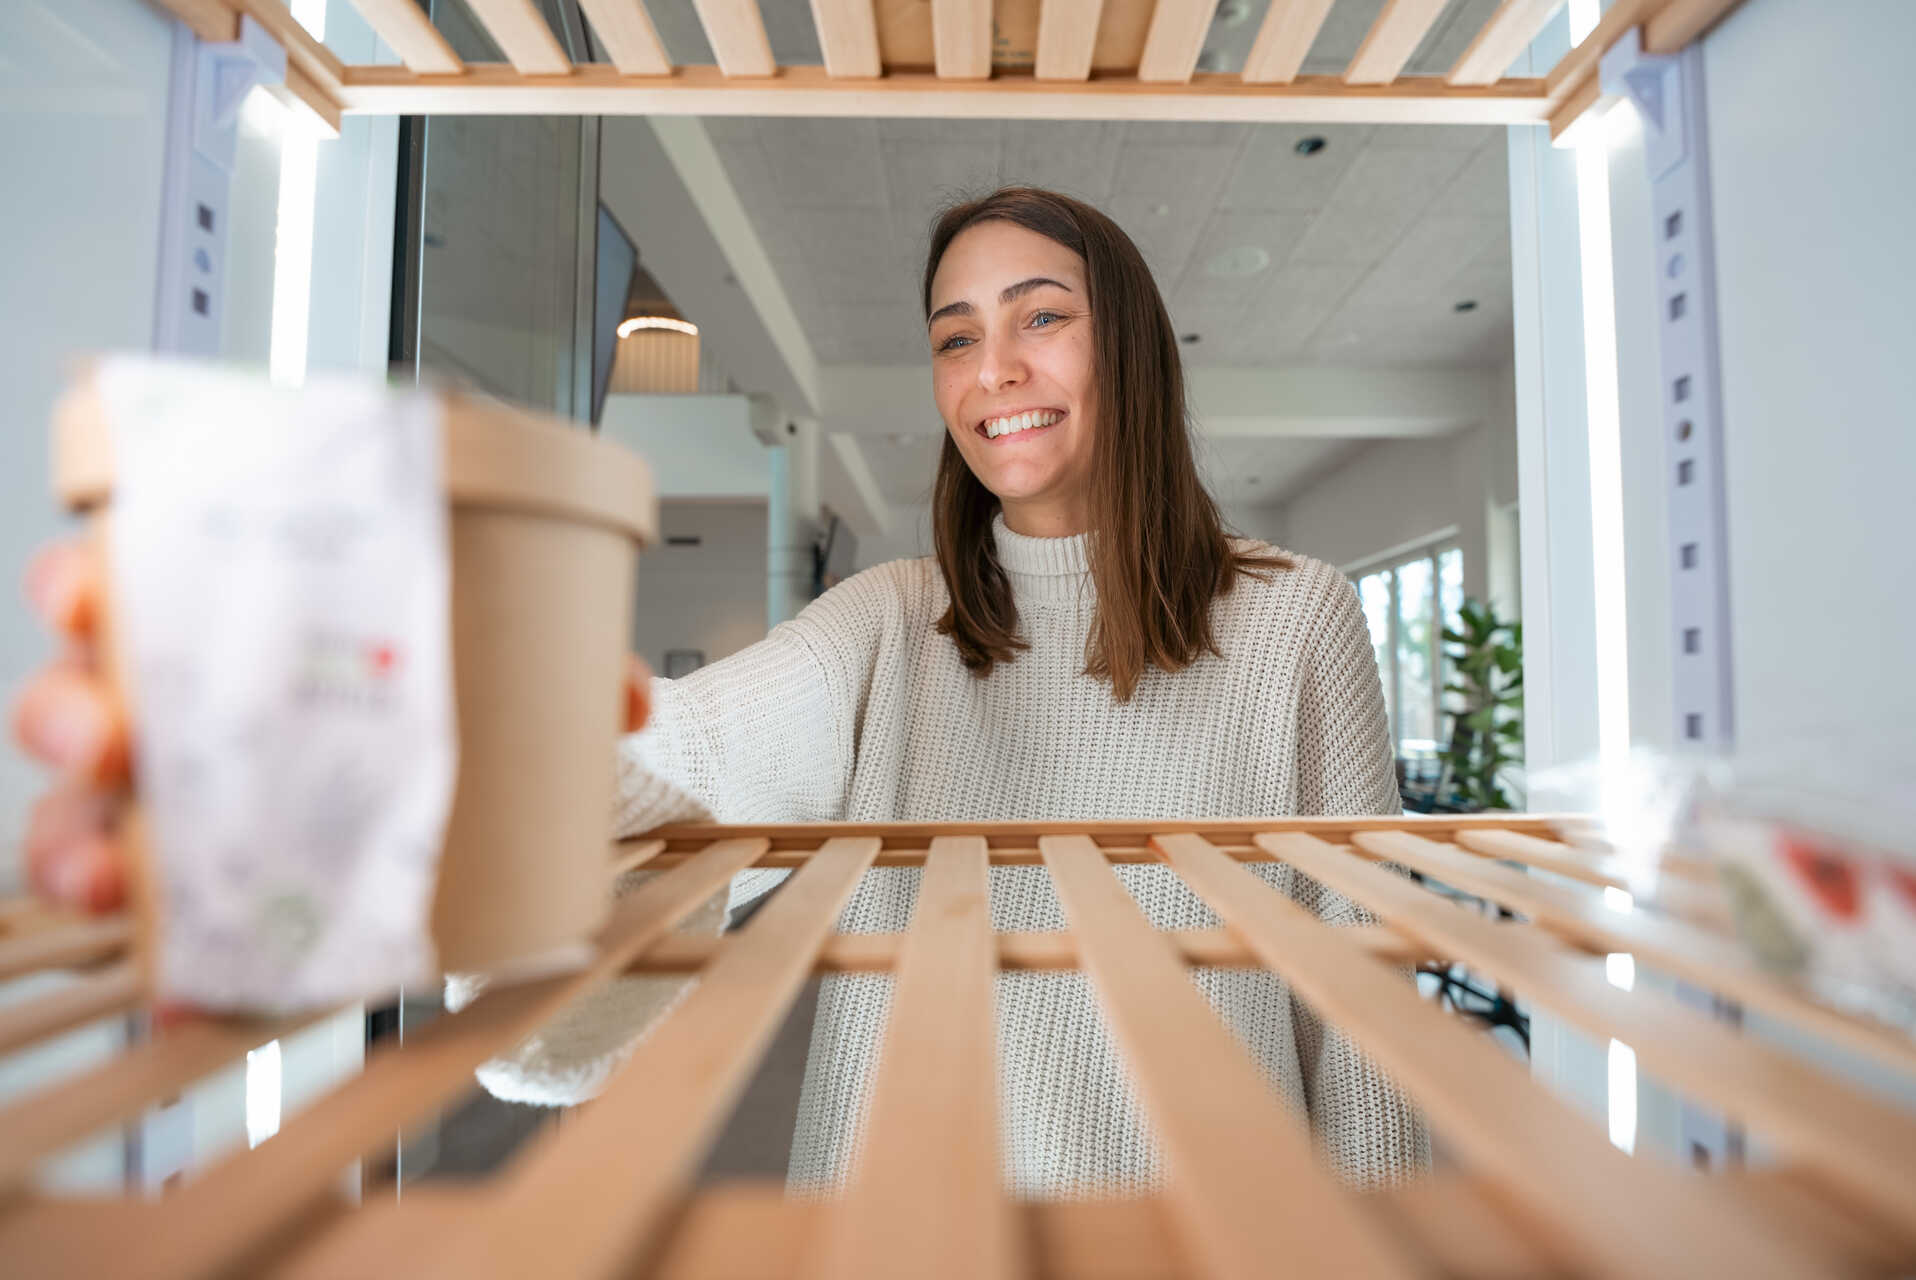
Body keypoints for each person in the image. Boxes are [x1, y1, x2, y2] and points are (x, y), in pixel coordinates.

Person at [14, 187, 1429, 1198]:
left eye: (1041, 318)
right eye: (953, 335)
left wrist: (1396, 1239)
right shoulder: (889, 624)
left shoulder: (1298, 618)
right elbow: (692, 763)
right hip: (904, 1209)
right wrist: (458, 719)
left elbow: (1368, 1001)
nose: (991, 368)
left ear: (1128, 341)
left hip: (1225, 1216)